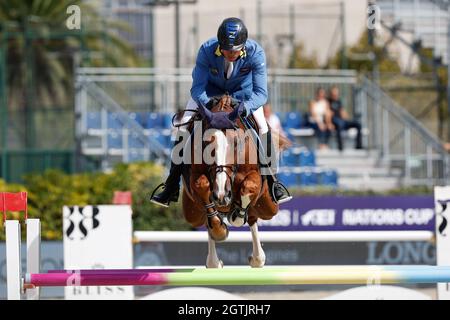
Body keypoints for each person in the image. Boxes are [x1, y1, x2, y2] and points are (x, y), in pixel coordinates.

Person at [150, 17, 292, 207]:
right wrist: (210, 107)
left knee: (264, 129)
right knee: (183, 127)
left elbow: (261, 93)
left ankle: (274, 183)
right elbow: (197, 88)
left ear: (243, 45)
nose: (231, 53)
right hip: (209, 94)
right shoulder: (206, 50)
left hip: (244, 96)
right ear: (220, 44)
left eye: (235, 49)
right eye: (226, 49)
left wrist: (245, 108)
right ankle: (171, 185)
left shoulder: (256, 53)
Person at [328, 86, 363, 151]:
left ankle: (359, 146)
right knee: (339, 124)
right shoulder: (328, 102)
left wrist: (346, 118)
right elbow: (328, 114)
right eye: (334, 94)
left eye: (337, 93)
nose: (335, 95)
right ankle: (340, 147)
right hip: (335, 121)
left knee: (358, 124)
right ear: (331, 94)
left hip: (342, 121)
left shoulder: (339, 101)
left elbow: (343, 112)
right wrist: (329, 123)